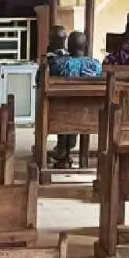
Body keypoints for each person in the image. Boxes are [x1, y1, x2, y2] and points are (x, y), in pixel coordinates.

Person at [48, 31, 102, 168]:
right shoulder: (95, 65)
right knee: (76, 108)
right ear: (85, 46)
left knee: (64, 107)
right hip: (88, 113)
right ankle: (67, 147)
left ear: (68, 47)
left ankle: (63, 150)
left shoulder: (60, 64)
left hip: (60, 113)